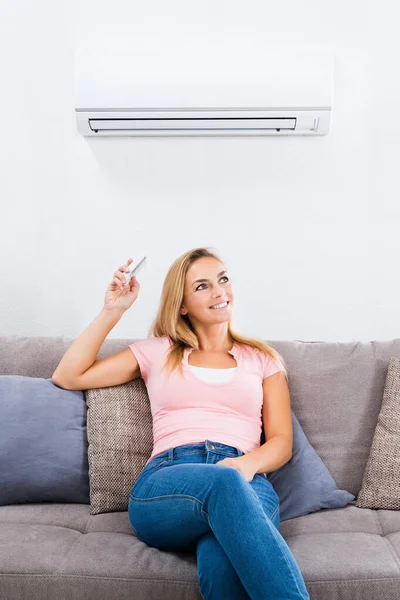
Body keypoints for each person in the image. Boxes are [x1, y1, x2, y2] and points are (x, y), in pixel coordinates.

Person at [52, 247, 310, 600]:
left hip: (245, 479)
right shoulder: (159, 351)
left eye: (223, 279)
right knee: (223, 482)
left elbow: (280, 442)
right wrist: (114, 309)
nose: (220, 291)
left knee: (221, 563)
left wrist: (244, 466)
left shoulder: (262, 360)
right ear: (183, 304)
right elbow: (68, 375)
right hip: (168, 481)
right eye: (203, 286)